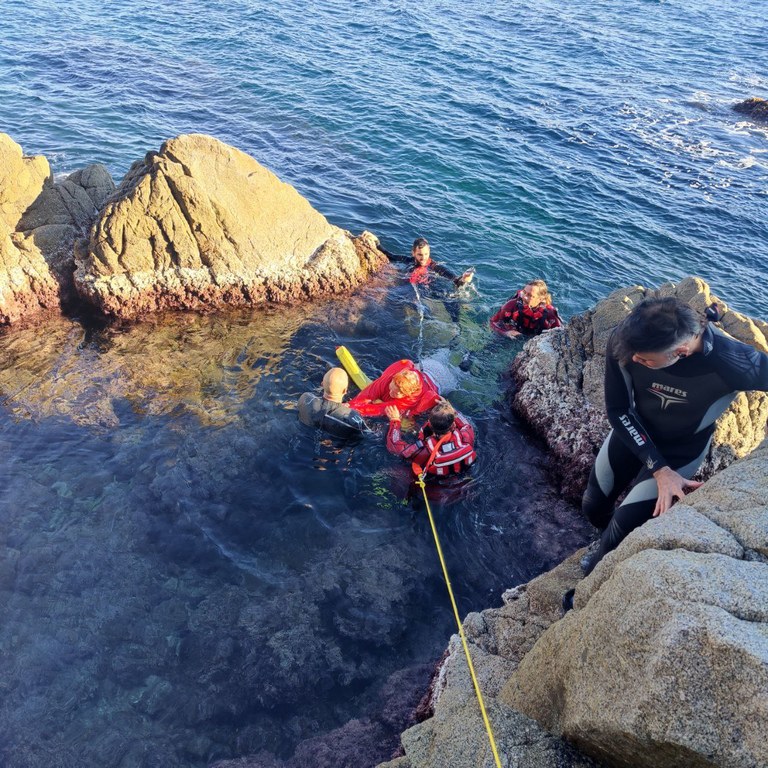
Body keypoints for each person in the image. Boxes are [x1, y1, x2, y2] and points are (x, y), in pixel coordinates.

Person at [579, 296, 768, 578]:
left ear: (680, 352)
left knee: (622, 527)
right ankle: (602, 542)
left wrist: (666, 470)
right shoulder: (627, 339)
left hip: (682, 452)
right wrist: (657, 468)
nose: (633, 361)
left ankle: (586, 587)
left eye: (644, 360)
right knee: (593, 506)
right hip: (633, 432)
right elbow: (618, 410)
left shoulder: (735, 362)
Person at [384, 399, 476, 476]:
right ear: (453, 425)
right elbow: (465, 422)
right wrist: (451, 409)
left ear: (429, 425)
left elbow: (394, 446)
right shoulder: (466, 437)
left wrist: (395, 420)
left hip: (434, 486)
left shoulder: (425, 451)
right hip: (465, 478)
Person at [349, 358, 441, 418]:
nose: (390, 393)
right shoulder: (391, 377)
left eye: (396, 393)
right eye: (391, 387)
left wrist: (352, 410)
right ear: (393, 379)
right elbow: (368, 394)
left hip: (440, 380)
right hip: (427, 365)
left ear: (406, 395)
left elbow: (379, 409)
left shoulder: (410, 399)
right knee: (406, 363)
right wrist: (350, 405)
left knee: (416, 411)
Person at [298, 367, 370, 439]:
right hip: (335, 446)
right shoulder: (353, 418)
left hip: (304, 437)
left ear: (322, 384)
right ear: (345, 391)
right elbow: (371, 435)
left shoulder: (305, 398)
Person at [378, 237, 475, 288]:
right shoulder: (409, 260)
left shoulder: (434, 266)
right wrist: (376, 242)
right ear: (413, 253)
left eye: (426, 254)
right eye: (420, 255)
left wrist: (463, 279)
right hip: (408, 287)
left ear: (429, 252)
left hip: (429, 290)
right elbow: (390, 255)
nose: (423, 258)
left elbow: (454, 279)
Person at [489, 279, 562, 338]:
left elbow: (560, 333)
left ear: (540, 299)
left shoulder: (549, 313)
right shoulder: (511, 305)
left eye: (530, 295)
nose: (524, 297)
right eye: (524, 292)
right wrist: (505, 333)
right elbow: (493, 322)